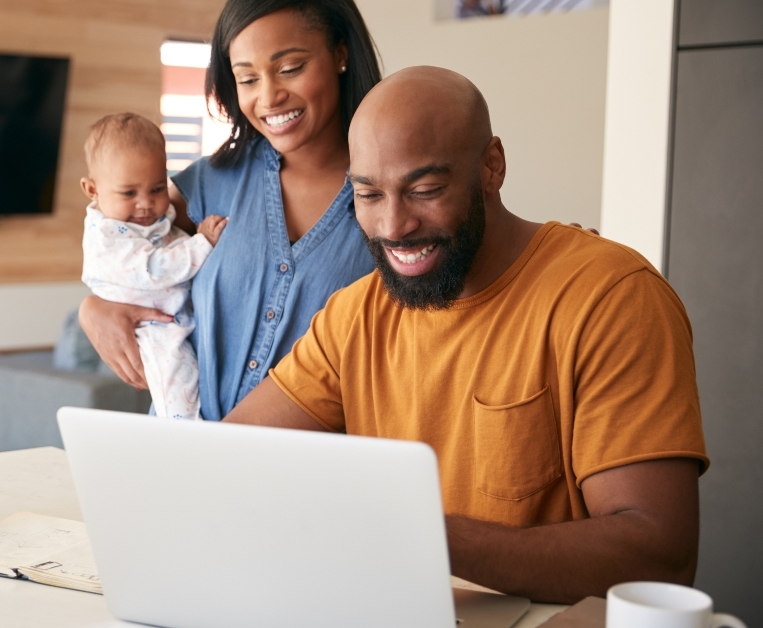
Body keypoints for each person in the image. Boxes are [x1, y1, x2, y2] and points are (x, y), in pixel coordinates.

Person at [224, 66, 708, 604]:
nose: (393, 226)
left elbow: (659, 557)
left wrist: (418, 533)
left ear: (491, 167)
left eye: (424, 190)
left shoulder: (610, 297)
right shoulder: (354, 315)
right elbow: (226, 461)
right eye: (369, 195)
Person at [79, 0, 383, 420]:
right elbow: (121, 248)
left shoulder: (389, 195)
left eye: (290, 68)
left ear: (341, 54)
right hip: (183, 448)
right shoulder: (210, 181)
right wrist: (94, 309)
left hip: (313, 456)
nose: (269, 97)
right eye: (247, 78)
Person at [80, 113, 228, 419]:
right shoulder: (107, 237)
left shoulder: (143, 221)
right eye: (129, 193)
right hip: (150, 329)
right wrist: (202, 243)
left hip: (170, 317)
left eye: (157, 189)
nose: (146, 203)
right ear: (92, 189)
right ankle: (185, 434)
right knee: (179, 386)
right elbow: (155, 270)